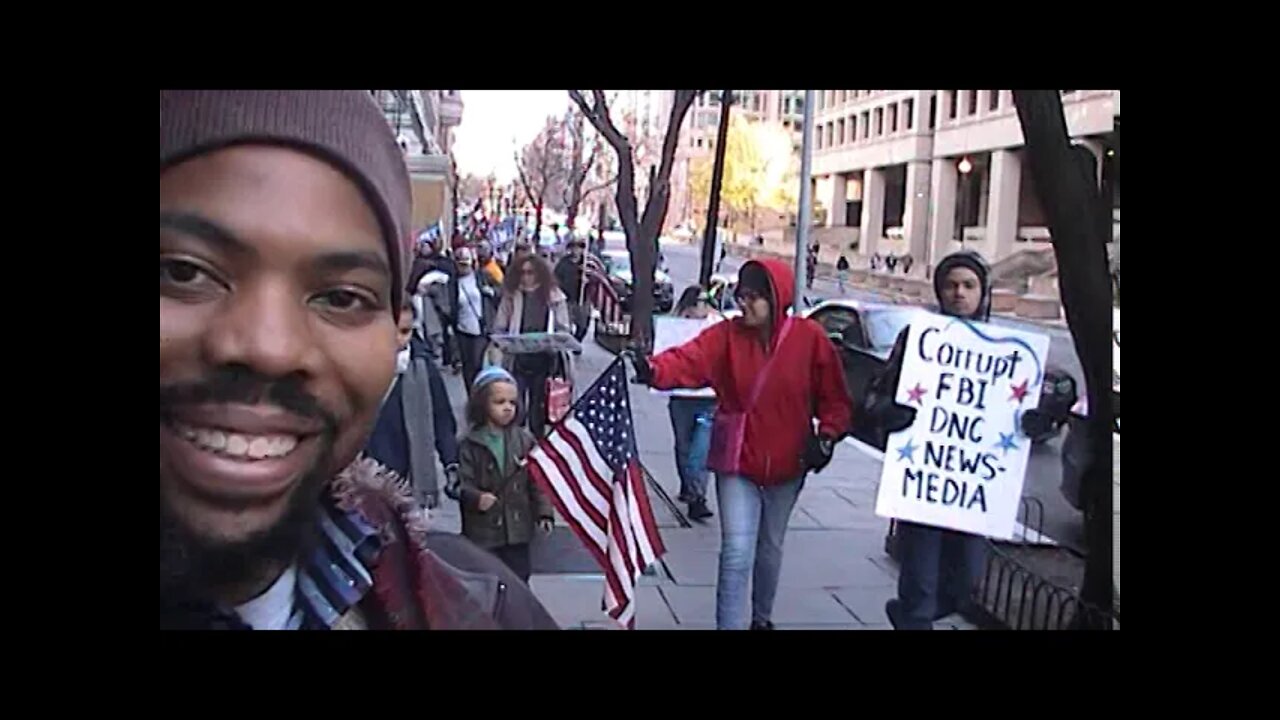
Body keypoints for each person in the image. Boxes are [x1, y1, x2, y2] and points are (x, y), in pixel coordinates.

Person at [160, 90, 556, 630]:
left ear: (394, 332)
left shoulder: (483, 609)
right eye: (185, 272)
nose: (269, 349)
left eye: (342, 297)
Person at [629, 260, 852, 630]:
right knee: (736, 551)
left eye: (754, 298)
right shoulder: (726, 336)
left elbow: (835, 398)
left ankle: (761, 618)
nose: (744, 304)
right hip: (737, 460)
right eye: (742, 296)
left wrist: (827, 435)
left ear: (776, 298)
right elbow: (689, 359)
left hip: (789, 460)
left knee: (770, 548)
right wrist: (653, 369)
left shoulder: (809, 339)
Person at [864, 250, 994, 631]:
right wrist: (890, 412)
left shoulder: (1002, 347)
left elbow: (1011, 414)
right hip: (923, 487)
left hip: (970, 489)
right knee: (921, 585)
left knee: (964, 584)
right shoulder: (917, 339)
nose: (959, 293)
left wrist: (1028, 423)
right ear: (939, 291)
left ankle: (906, 616)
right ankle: (913, 617)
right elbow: (874, 397)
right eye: (951, 285)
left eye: (968, 285)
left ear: (982, 292)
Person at [457, 366, 555, 582]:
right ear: (482, 404)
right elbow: (461, 482)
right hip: (483, 532)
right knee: (487, 578)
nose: (507, 408)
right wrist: (475, 497)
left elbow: (537, 481)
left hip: (518, 529)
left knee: (519, 578)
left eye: (512, 402)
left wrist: (543, 512)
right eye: (499, 402)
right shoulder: (470, 444)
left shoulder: (524, 440)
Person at [364, 295, 459, 510]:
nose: (398, 339)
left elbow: (441, 418)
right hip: (367, 466)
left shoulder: (423, 367)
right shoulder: (359, 368)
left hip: (409, 469)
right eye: (392, 331)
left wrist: (451, 463)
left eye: (405, 331)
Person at [494, 254, 572, 438]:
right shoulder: (512, 295)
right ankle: (515, 442)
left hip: (545, 359)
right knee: (516, 403)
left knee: (540, 407)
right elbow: (500, 326)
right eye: (522, 273)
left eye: (531, 272)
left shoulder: (554, 296)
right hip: (517, 358)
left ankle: (538, 445)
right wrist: (504, 342)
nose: (526, 277)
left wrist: (555, 341)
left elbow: (564, 329)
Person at [666, 287, 718, 522]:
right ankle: (689, 488)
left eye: (708, 301)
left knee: (702, 448)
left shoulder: (717, 327)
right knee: (684, 446)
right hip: (682, 398)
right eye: (700, 301)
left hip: (709, 399)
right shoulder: (674, 328)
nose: (704, 306)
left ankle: (698, 497)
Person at [449, 246, 500, 394]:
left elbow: (502, 291)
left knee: (478, 364)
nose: (463, 267)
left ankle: (480, 395)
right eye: (460, 264)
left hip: (481, 328)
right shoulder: (453, 283)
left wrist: (491, 292)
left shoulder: (483, 276)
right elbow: (448, 302)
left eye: (466, 263)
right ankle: (471, 397)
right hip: (462, 329)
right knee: (467, 368)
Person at [554, 237, 591, 342]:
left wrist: (587, 280)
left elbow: (596, 278)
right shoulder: (564, 262)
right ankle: (568, 344)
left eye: (579, 248)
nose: (576, 250)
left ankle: (577, 340)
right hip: (567, 298)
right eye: (574, 248)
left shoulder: (587, 263)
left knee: (583, 324)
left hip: (582, 298)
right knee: (566, 324)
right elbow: (556, 277)